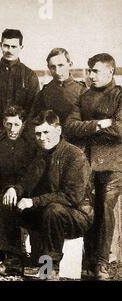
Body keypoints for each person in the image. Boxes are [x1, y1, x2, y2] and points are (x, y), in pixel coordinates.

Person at [0, 110, 93, 278]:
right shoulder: (40, 154)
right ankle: (13, 261)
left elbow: (72, 197)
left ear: (59, 130)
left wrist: (33, 202)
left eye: (46, 132)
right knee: (5, 201)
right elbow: (26, 181)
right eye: (38, 134)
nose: (42, 138)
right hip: (46, 210)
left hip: (77, 215)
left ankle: (49, 269)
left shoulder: (75, 156)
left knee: (53, 210)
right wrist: (14, 189)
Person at [66, 53, 122, 280]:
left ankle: (102, 263)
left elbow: (120, 130)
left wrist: (87, 128)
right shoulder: (84, 96)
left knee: (106, 209)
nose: (91, 75)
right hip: (87, 164)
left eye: (96, 71)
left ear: (111, 71)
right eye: (89, 71)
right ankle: (88, 261)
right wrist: (99, 124)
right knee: (86, 209)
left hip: (112, 165)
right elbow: (70, 126)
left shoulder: (120, 96)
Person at [0, 106, 37, 272]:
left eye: (16, 124)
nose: (12, 129)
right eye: (8, 124)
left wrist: (15, 189)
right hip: (4, 188)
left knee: (6, 205)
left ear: (23, 124)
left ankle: (13, 257)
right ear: (3, 123)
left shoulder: (30, 145)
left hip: (26, 189)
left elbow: (32, 175)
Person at [0, 29, 40, 141]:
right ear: (1, 45)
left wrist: (20, 129)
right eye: (6, 46)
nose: (9, 50)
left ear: (21, 47)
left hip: (21, 136)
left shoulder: (29, 76)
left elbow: (35, 107)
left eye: (14, 47)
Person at [29, 48, 87, 141]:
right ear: (48, 68)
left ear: (70, 64)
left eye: (61, 65)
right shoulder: (44, 93)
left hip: (77, 143)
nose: (57, 71)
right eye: (53, 67)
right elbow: (32, 122)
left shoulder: (82, 91)